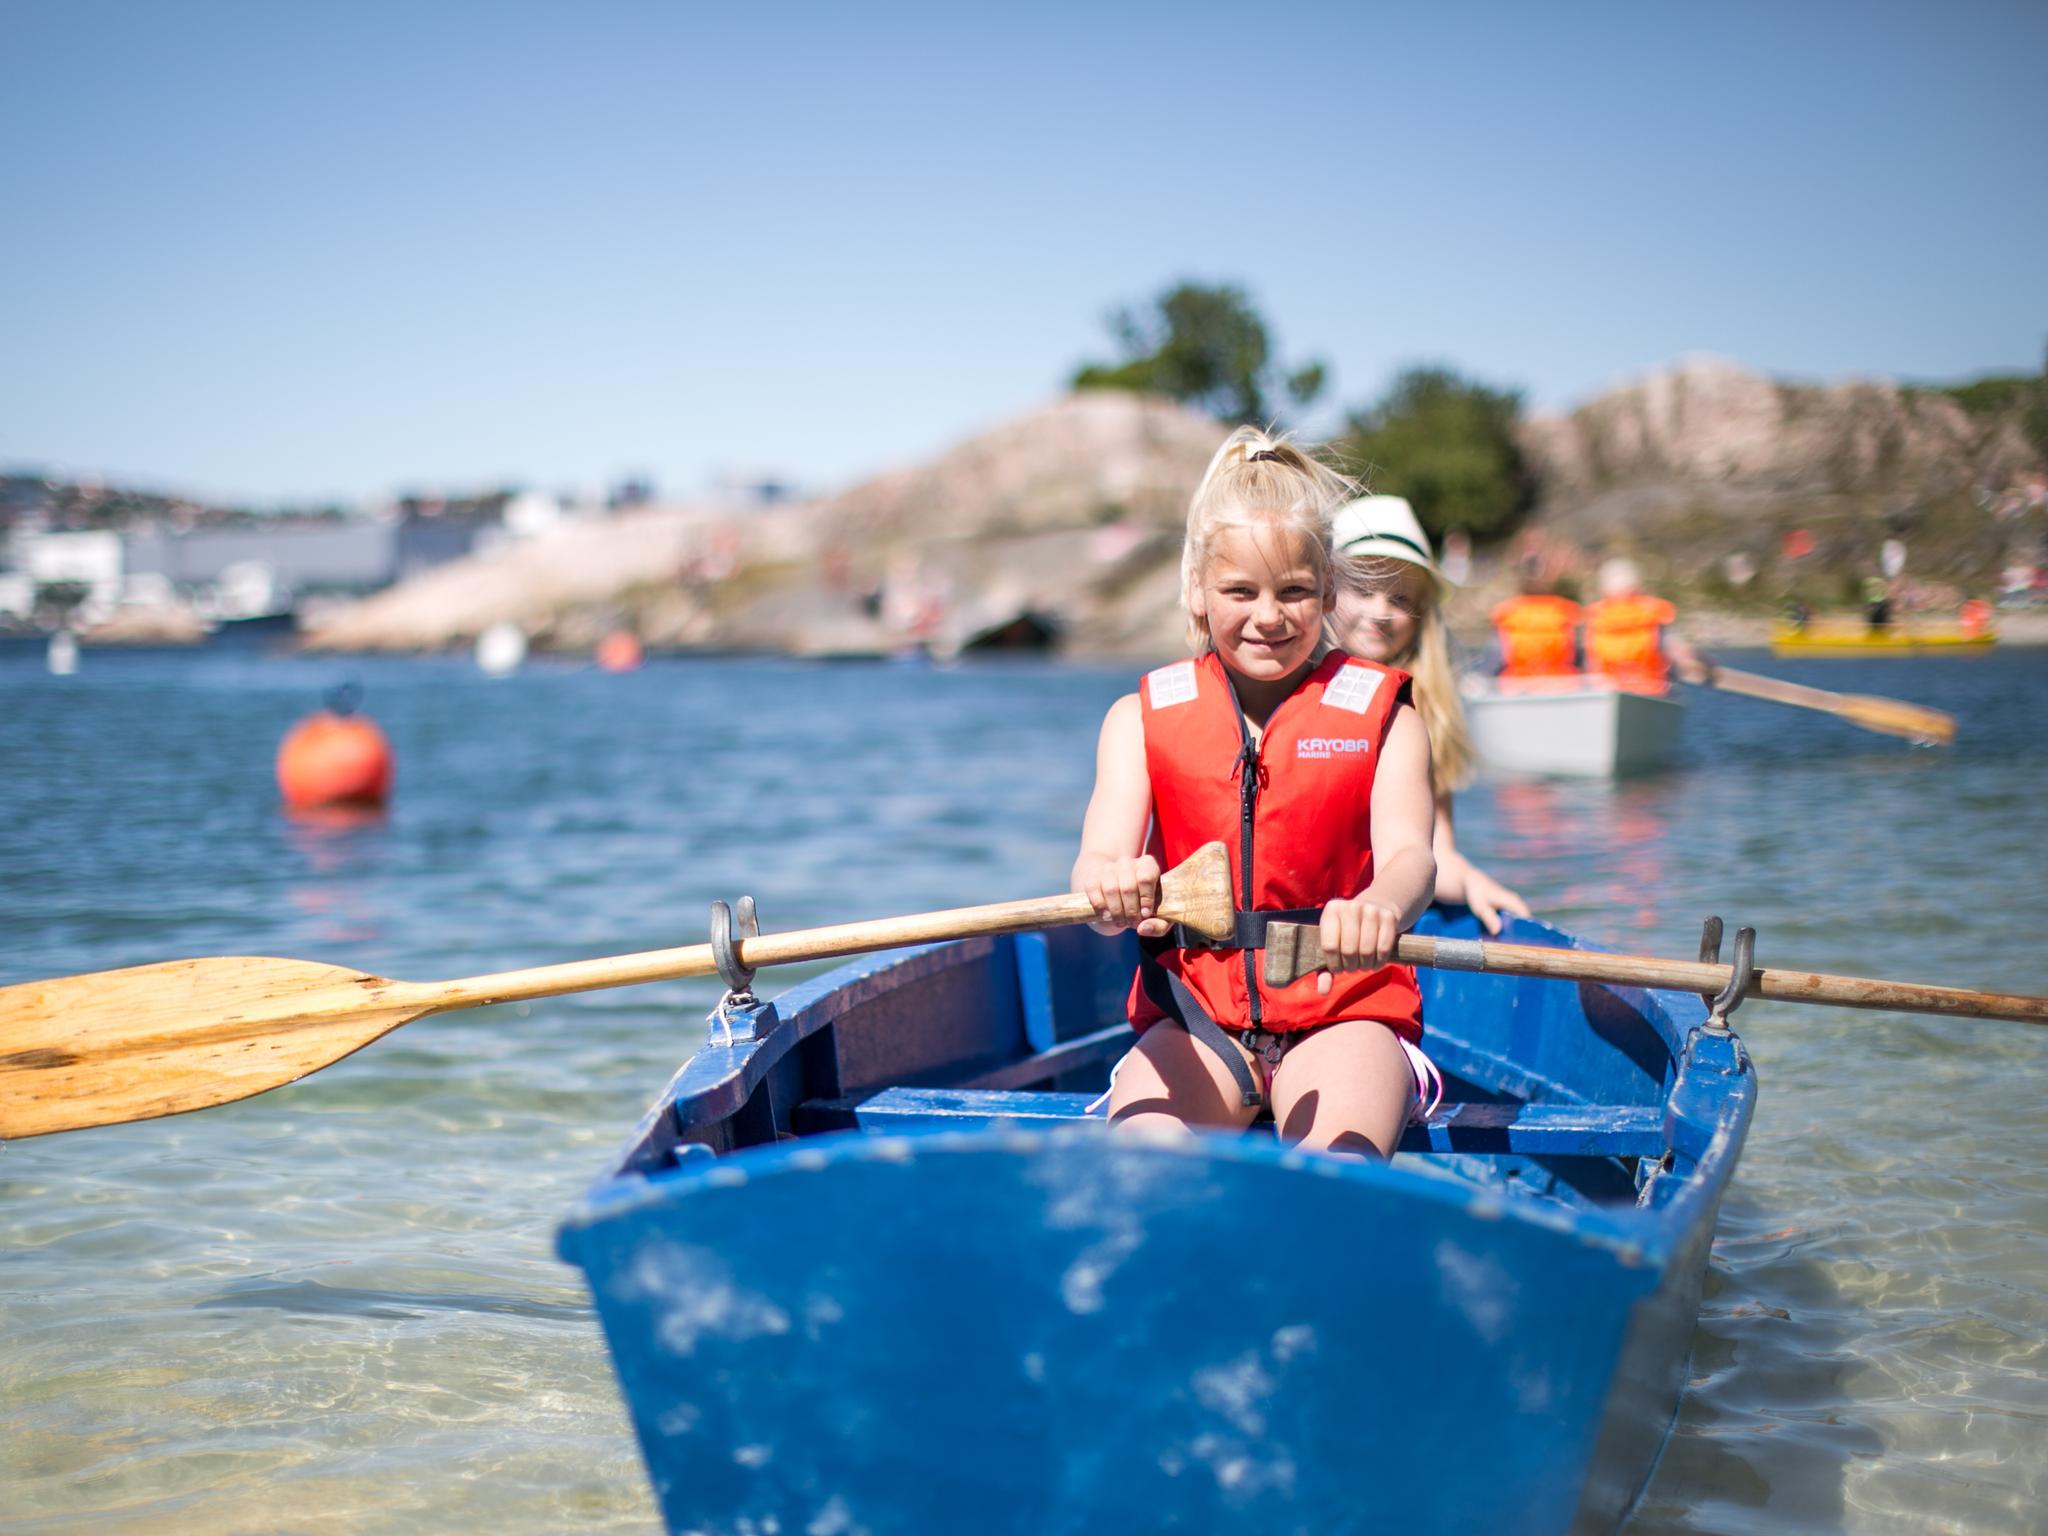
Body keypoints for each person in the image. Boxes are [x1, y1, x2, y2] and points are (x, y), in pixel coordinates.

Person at [1071, 428, 1441, 1159]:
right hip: (1196, 1021)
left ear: (1329, 591)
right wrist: (1111, 885)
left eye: (1295, 592)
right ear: (1197, 592)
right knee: (1138, 1173)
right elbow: (1097, 861)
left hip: (1345, 1014)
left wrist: (1382, 906)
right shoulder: (1136, 721)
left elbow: (1412, 858)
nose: (1268, 616)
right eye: (1240, 591)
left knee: (1332, 1178)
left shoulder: (1390, 720)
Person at [1329, 495, 1531, 935]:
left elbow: (1437, 849)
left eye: (1400, 597)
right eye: (1364, 590)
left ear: (1421, 612)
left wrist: (1473, 880)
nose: (1380, 611)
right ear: (1326, 589)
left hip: (1379, 924)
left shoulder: (1426, 708)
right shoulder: (1286, 690)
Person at [1582, 557, 1709, 689]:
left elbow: (1589, 660)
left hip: (1607, 688)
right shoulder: (1652, 611)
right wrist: (1702, 662)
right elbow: (1676, 648)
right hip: (1651, 687)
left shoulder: (1596, 615)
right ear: (1637, 585)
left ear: (1604, 588)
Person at [1488, 564, 1581, 681]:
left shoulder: (1507, 613)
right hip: (1561, 683)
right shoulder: (1565, 611)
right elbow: (1577, 655)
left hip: (1516, 684)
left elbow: (1496, 658)